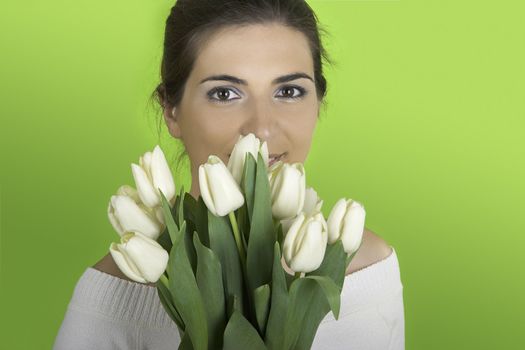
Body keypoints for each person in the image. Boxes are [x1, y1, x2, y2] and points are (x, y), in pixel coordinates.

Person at [53, 0, 405, 349]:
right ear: (171, 111)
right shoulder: (112, 297)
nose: (261, 129)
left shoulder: (367, 269)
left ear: (318, 101)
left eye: (289, 91)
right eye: (225, 93)